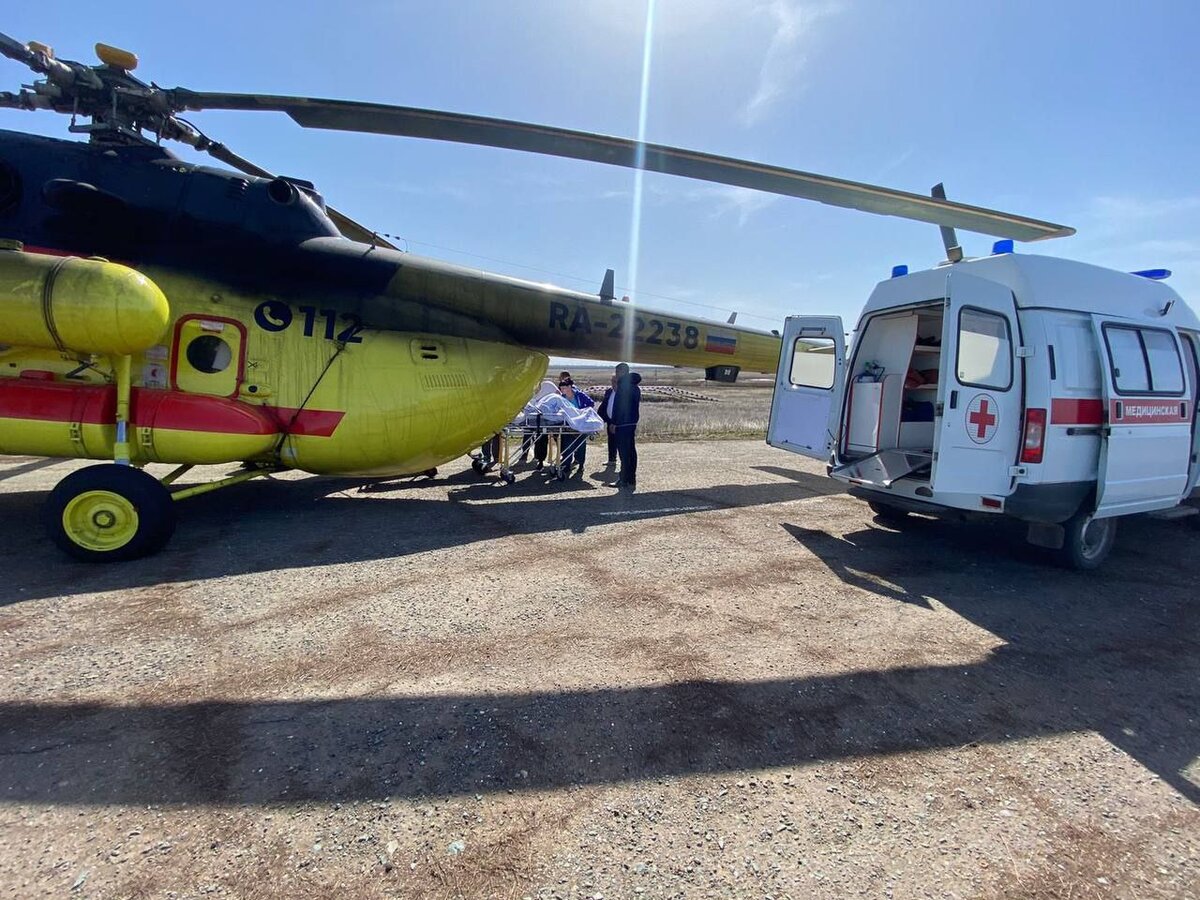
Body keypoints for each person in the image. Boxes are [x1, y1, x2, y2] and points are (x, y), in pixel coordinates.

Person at [610, 362, 641, 490]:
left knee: (624, 453)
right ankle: (631, 478)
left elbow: (619, 407)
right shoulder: (635, 386)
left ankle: (623, 479)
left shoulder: (623, 386)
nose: (616, 375)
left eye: (617, 372)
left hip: (622, 424)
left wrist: (614, 422)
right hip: (631, 422)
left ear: (621, 373)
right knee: (631, 452)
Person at [557, 376, 594, 477]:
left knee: (580, 445)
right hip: (567, 424)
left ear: (570, 387)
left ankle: (581, 464)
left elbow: (591, 403)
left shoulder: (579, 395)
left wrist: (583, 412)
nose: (562, 390)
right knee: (567, 445)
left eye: (564, 388)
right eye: (561, 389)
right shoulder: (561, 397)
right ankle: (566, 465)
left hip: (580, 424)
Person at [596, 374, 618, 468]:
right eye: (612, 381)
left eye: (615, 381)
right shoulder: (608, 391)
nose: (613, 383)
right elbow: (604, 405)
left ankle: (625, 463)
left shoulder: (623, 393)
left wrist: (616, 422)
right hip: (609, 420)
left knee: (621, 442)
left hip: (620, 422)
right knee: (611, 440)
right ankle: (612, 460)